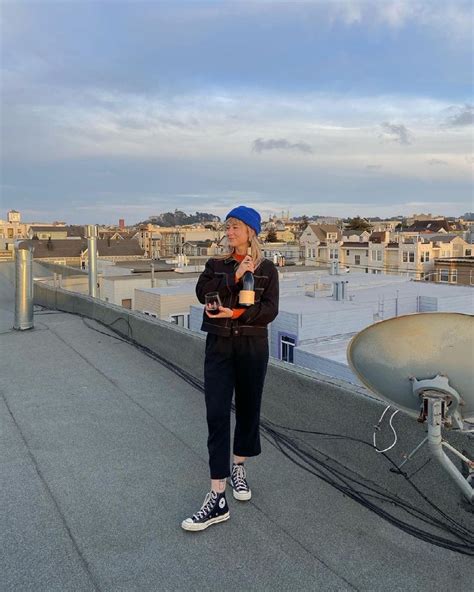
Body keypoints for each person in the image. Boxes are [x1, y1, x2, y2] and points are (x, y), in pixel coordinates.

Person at [181, 206, 279, 531]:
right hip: (219, 348)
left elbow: (269, 310)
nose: (230, 232)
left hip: (252, 348)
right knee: (217, 415)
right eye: (227, 226)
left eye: (235, 226)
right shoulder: (216, 265)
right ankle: (217, 495)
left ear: (251, 231)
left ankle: (239, 467)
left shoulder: (267, 269)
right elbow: (202, 294)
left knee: (249, 411)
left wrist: (236, 315)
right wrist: (233, 278)